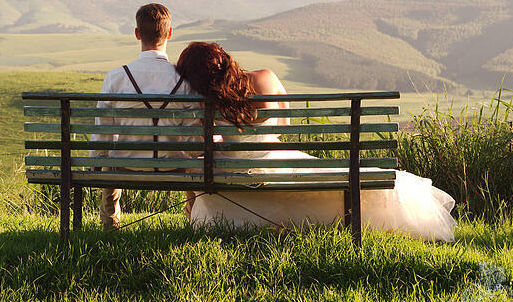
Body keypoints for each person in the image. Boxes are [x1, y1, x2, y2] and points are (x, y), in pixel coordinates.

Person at [175, 42, 457, 242]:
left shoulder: (204, 102)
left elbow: (202, 145)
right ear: (226, 59)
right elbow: (283, 127)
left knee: (195, 167)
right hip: (275, 163)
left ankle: (194, 220)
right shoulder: (266, 78)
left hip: (231, 179)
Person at [91, 3, 200, 230]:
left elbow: (103, 133)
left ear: (137, 34)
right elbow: (192, 141)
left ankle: (110, 226)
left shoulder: (116, 77)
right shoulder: (185, 80)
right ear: (169, 33)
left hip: (126, 166)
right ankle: (192, 223)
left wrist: (97, 161)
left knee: (108, 158)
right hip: (174, 166)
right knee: (192, 162)